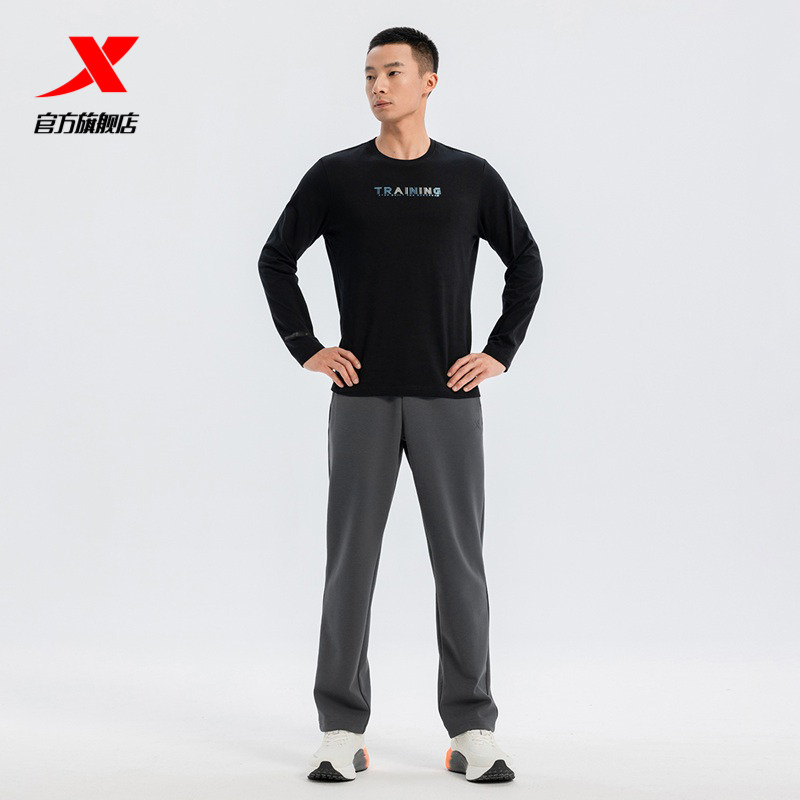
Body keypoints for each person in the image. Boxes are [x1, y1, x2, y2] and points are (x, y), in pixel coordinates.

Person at [257, 26, 543, 783]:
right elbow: (276, 258)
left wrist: (500, 350)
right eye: (368, 75)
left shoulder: (470, 177)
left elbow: (526, 261)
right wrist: (306, 345)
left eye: (392, 72)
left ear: (428, 82)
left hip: (449, 395)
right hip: (362, 396)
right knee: (350, 564)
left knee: (461, 566)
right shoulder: (337, 176)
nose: (378, 86)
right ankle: (340, 728)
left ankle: (472, 727)